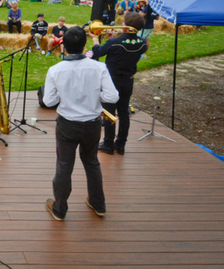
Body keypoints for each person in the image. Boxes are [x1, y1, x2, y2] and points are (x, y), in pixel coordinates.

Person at [43, 26, 119, 221]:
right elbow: (113, 96)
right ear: (85, 45)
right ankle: (98, 204)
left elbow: (48, 102)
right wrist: (93, 96)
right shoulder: (99, 67)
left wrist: (67, 96)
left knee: (64, 165)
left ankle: (60, 209)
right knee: (92, 162)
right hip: (92, 124)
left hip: (67, 124)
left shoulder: (55, 70)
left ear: (64, 46)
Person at [92, 12, 147, 156]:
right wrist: (114, 39)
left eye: (122, 23)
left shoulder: (114, 43)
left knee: (108, 112)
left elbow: (98, 52)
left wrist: (94, 39)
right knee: (123, 113)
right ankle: (121, 145)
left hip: (112, 82)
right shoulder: (142, 43)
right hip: (128, 81)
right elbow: (124, 48)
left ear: (126, 26)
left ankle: (108, 144)